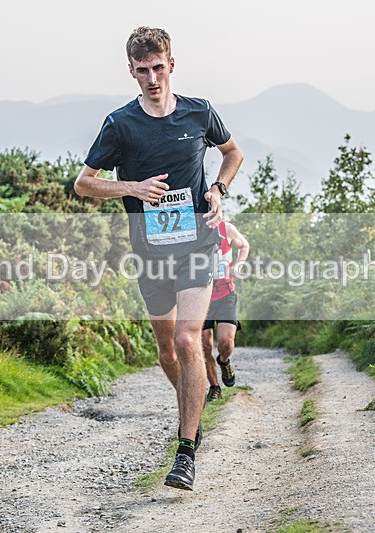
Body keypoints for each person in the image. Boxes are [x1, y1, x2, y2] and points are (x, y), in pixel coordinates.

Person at [73, 26, 243, 491]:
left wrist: (217, 189)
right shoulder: (120, 125)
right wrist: (132, 187)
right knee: (168, 351)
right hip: (150, 255)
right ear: (131, 71)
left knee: (190, 342)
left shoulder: (199, 112)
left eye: (159, 68)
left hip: (197, 246)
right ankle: (193, 408)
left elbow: (232, 154)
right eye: (143, 70)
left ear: (172, 64)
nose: (152, 78)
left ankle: (185, 450)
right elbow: (84, 183)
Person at [203, 220, 249, 402]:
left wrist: (239, 265)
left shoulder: (226, 229)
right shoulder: (190, 232)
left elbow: (244, 245)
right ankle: (214, 387)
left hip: (225, 295)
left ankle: (223, 360)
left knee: (226, 341)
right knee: (204, 347)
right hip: (200, 297)